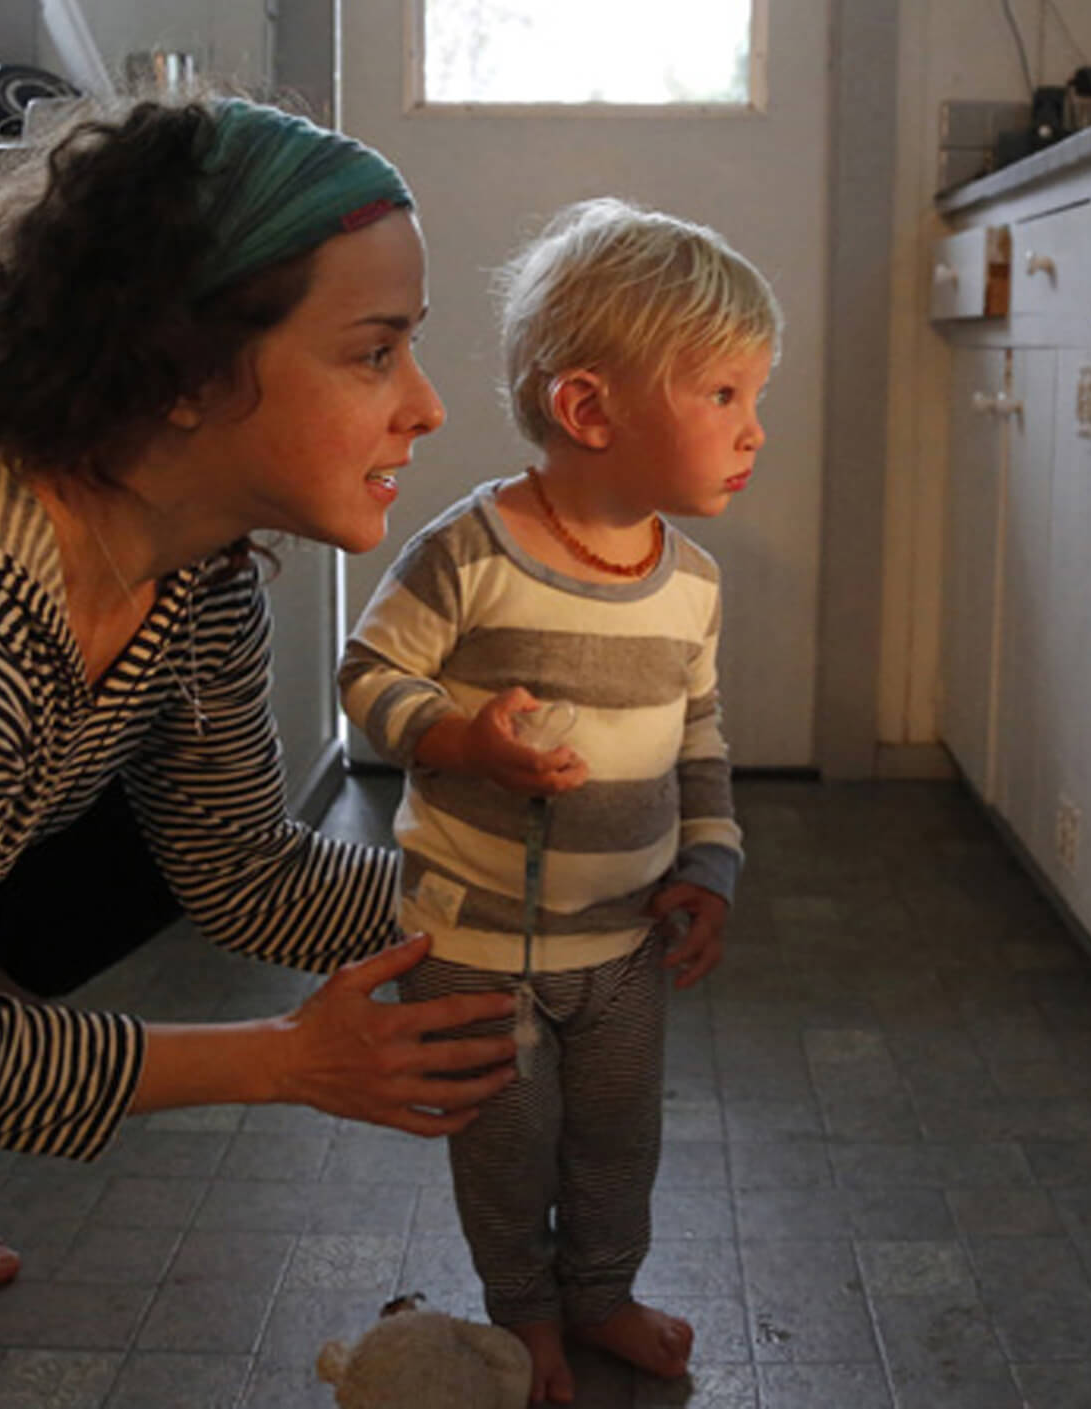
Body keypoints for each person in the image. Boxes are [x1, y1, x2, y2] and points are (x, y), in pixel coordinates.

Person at [0, 95, 522, 1306]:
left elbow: (239, 869)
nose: (427, 404)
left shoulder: (192, 568)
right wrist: (288, 1061)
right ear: (177, 371)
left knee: (134, 852)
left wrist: (544, 898)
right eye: (373, 350)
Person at [338, 196, 780, 1403]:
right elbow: (365, 676)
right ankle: (524, 1313)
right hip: (475, 942)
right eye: (723, 396)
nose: (753, 431)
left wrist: (709, 863)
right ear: (588, 409)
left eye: (755, 397)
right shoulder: (466, 553)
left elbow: (698, 734)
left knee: (614, 1142)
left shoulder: (687, 582)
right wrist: (459, 737)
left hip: (622, 941)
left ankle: (600, 1292)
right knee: (503, 1143)